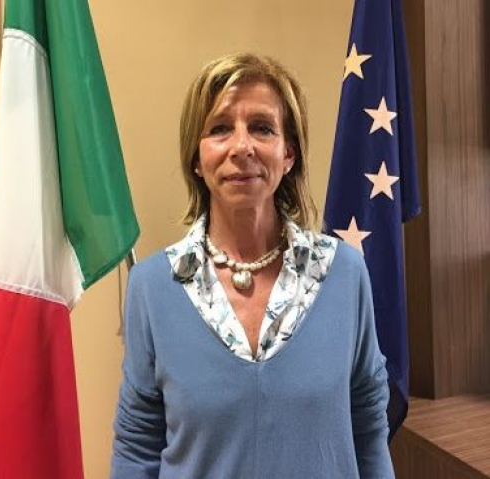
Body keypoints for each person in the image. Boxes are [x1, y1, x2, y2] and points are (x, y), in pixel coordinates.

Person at [110, 52, 394, 479]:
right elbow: (137, 446)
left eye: (262, 127)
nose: (241, 147)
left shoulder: (345, 274)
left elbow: (369, 425)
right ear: (196, 157)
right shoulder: (152, 286)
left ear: (288, 153)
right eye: (219, 129)